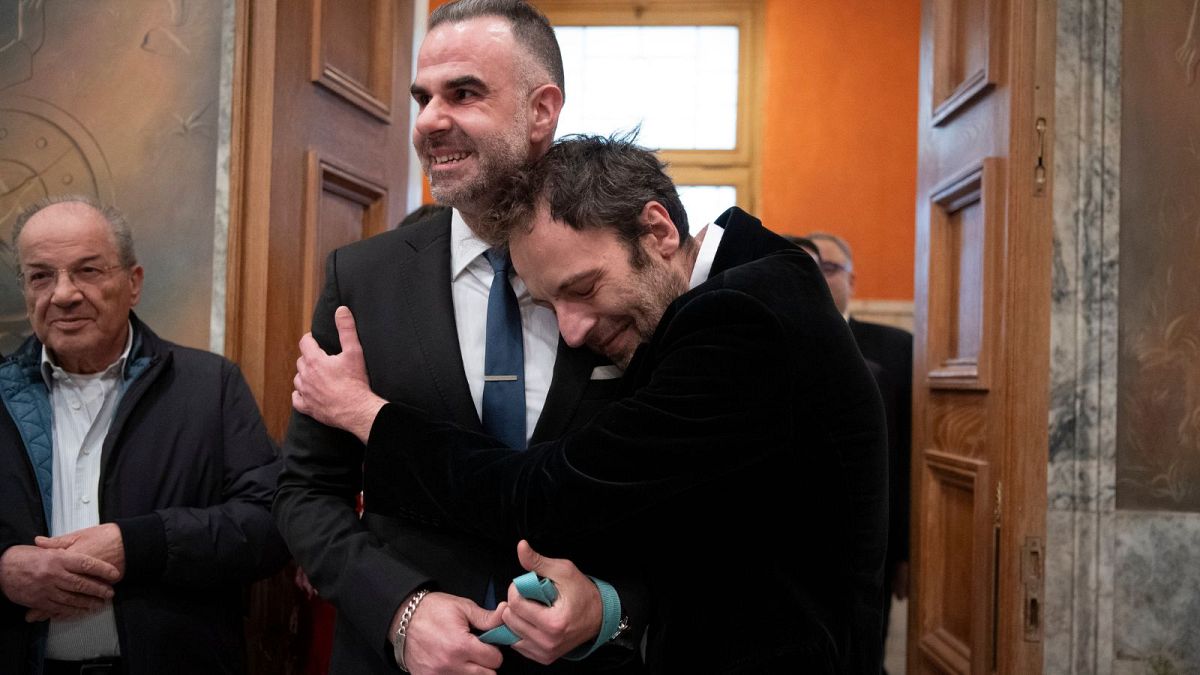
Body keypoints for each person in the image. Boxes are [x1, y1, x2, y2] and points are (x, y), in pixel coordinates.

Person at [292, 134, 890, 674]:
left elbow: (546, 493)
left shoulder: (739, 321)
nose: (572, 331)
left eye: (582, 289)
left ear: (657, 231)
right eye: (551, 307)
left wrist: (363, 413)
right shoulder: (748, 276)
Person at [272, 2, 645, 673]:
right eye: (422, 98)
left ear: (542, 109)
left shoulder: (622, 267)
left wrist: (616, 603)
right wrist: (401, 610)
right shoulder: (363, 277)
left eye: (463, 93)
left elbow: (683, 495)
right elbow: (304, 492)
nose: (428, 121)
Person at [0, 195, 288, 674]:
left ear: (133, 283)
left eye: (88, 271)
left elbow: (270, 526)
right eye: (41, 276)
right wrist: (2, 572)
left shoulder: (208, 386)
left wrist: (141, 544)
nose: (64, 293)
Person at [806, 231, 913, 652]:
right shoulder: (772, 338)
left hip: (875, 538)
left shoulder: (898, 348)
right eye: (808, 269)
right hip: (799, 538)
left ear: (851, 280)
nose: (817, 277)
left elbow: (905, 455)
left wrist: (905, 550)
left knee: (867, 649)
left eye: (829, 268)